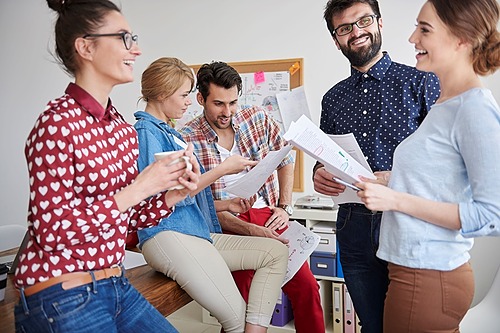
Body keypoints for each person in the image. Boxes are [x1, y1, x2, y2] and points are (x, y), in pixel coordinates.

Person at [14, 1, 200, 332]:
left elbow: (130, 219)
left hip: (115, 283)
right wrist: (141, 186)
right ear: (86, 47)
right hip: (62, 293)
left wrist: (172, 192)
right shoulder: (56, 124)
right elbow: (51, 232)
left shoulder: (119, 128)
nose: (137, 49)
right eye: (124, 38)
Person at [355, 0, 500, 332]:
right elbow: (441, 178)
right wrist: (391, 180)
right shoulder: (445, 104)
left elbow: (492, 214)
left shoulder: (473, 109)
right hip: (416, 273)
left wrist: (396, 200)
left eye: (424, 29)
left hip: (427, 277)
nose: (411, 38)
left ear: (461, 38)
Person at [133, 57, 289, 333]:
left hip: (194, 232)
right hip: (170, 235)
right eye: (183, 95)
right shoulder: (146, 132)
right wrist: (222, 169)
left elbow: (187, 196)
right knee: (235, 319)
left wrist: (227, 203)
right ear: (161, 94)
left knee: (275, 252)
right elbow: (166, 197)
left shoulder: (168, 132)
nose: (187, 102)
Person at [313, 1, 441, 332]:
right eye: (344, 28)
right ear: (336, 39)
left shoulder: (422, 81)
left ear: (379, 23)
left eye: (363, 21)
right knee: (372, 326)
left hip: (408, 220)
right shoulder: (332, 98)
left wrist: (395, 179)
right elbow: (325, 156)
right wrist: (319, 175)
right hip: (352, 225)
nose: (356, 32)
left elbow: (446, 163)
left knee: (412, 326)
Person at [180, 61, 326, 333]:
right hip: (225, 224)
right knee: (241, 303)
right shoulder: (187, 138)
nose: (228, 112)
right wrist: (250, 230)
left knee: (307, 287)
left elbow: (286, 156)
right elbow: (193, 203)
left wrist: (284, 206)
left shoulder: (255, 117)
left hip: (267, 215)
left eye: (233, 103)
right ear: (200, 99)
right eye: (219, 104)